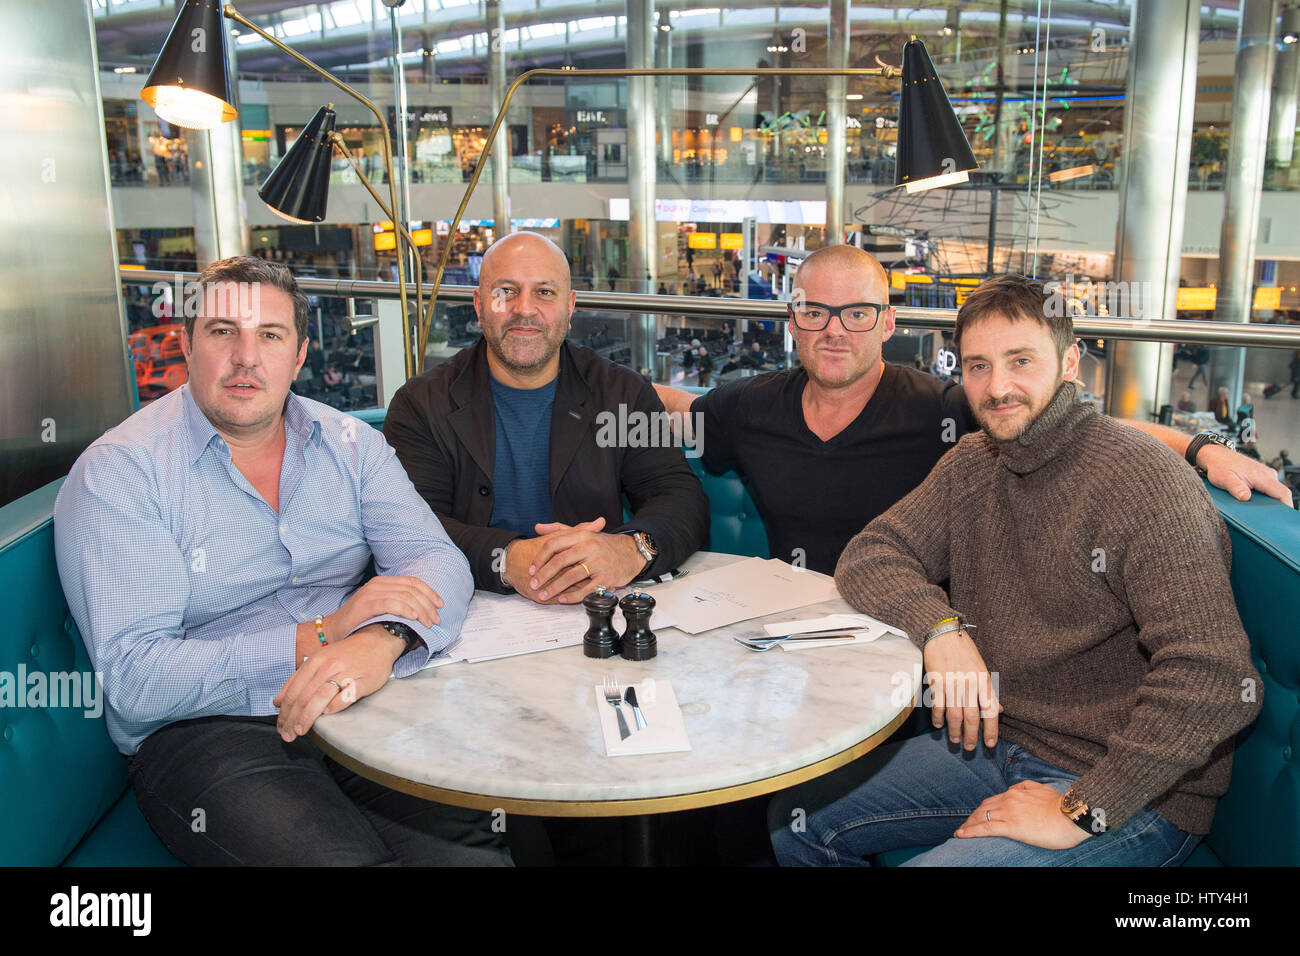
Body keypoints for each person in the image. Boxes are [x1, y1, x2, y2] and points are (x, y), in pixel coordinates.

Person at [769, 274, 1262, 866]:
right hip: (1001, 743)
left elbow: (1213, 679)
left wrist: (1082, 809)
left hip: (1135, 789)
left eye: (1020, 361)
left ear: (1070, 362)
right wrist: (941, 630)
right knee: (795, 821)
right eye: (978, 366)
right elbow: (873, 552)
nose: (998, 387)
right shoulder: (973, 462)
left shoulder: (1143, 481)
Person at [54, 256, 507, 866]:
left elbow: (436, 560)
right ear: (187, 345)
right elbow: (138, 681)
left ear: (297, 356)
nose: (247, 358)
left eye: (269, 335)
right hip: (207, 730)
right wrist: (322, 634)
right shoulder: (122, 475)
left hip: (353, 693)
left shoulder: (350, 445)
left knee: (475, 855)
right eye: (223, 333)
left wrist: (384, 640)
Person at [654, 247, 1291, 575]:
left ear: (888, 323)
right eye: (815, 312)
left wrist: (1204, 447)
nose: (834, 331)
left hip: (910, 641)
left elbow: (1083, 430)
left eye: (857, 314)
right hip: (784, 626)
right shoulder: (751, 406)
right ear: (794, 320)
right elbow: (679, 408)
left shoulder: (941, 410)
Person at [383, 232, 708, 605]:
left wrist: (629, 549)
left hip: (591, 609)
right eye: (505, 291)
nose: (524, 309)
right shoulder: (421, 405)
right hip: (466, 610)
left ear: (570, 307)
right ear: (478, 305)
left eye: (544, 292)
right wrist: (505, 558)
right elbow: (409, 527)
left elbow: (681, 496)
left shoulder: (623, 394)